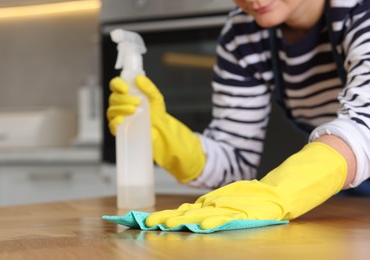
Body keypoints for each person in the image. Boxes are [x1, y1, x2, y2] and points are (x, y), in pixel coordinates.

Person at [107, 0, 370, 230]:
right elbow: (235, 160)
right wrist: (163, 134)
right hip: (337, 187)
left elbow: (365, 125)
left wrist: (280, 191)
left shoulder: (360, 9)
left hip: (331, 173)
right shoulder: (242, 33)